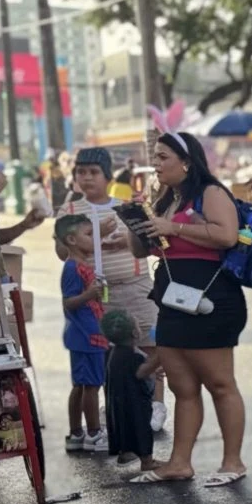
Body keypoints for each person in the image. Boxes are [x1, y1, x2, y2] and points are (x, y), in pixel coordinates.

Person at [129, 132, 247, 488]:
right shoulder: (166, 199)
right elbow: (140, 250)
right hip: (172, 298)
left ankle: (232, 460)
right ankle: (180, 462)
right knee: (183, 387)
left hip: (211, 300)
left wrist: (173, 226)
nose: (157, 163)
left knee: (220, 383)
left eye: (163, 157)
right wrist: (138, 218)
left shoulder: (210, 193)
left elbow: (227, 235)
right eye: (156, 157)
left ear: (186, 161)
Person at [63, 148, 166, 432]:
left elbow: (149, 245)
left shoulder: (127, 207)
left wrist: (127, 241)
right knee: (107, 355)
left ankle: (155, 405)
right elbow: (63, 251)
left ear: (108, 176)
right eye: (81, 173)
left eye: (93, 172)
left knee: (150, 348)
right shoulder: (70, 211)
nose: (86, 178)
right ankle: (117, 405)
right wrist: (95, 235)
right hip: (95, 297)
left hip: (135, 287)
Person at [55, 214, 108, 452]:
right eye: (88, 235)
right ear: (72, 240)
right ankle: (94, 433)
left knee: (81, 384)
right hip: (86, 335)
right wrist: (89, 295)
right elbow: (69, 302)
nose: (93, 240)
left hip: (88, 333)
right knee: (91, 385)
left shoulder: (82, 266)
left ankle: (76, 432)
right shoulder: (72, 268)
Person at [100, 310, 158, 471]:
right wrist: (159, 359)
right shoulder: (133, 356)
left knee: (123, 427)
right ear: (134, 332)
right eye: (138, 325)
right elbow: (141, 372)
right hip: (135, 402)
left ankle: (126, 453)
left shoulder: (113, 352)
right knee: (141, 428)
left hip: (119, 401)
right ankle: (147, 461)